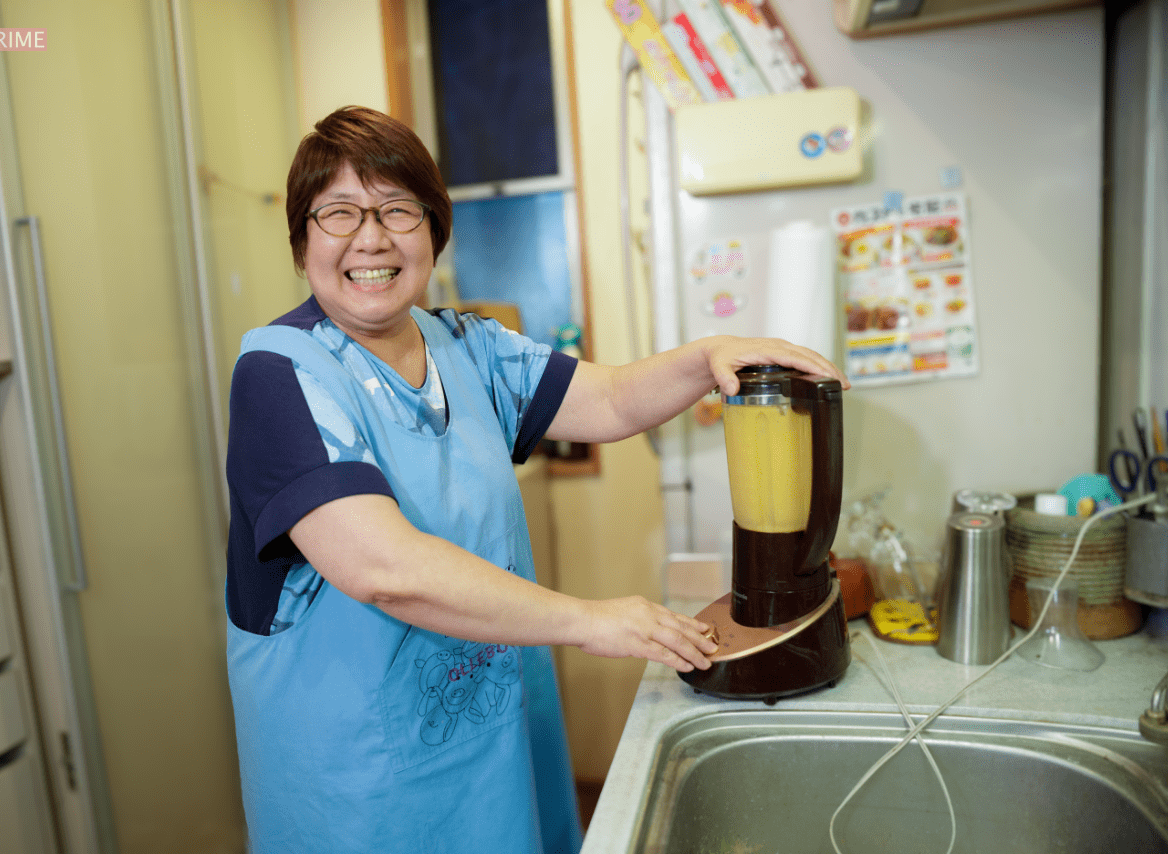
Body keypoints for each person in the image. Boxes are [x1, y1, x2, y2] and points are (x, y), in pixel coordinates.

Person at [224, 106, 849, 854]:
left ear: (432, 232)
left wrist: (712, 352)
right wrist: (591, 620)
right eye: (338, 213)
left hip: (489, 747)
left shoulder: (467, 347)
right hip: (360, 786)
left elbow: (613, 398)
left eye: (398, 209)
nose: (372, 237)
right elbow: (382, 568)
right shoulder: (280, 373)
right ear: (301, 244)